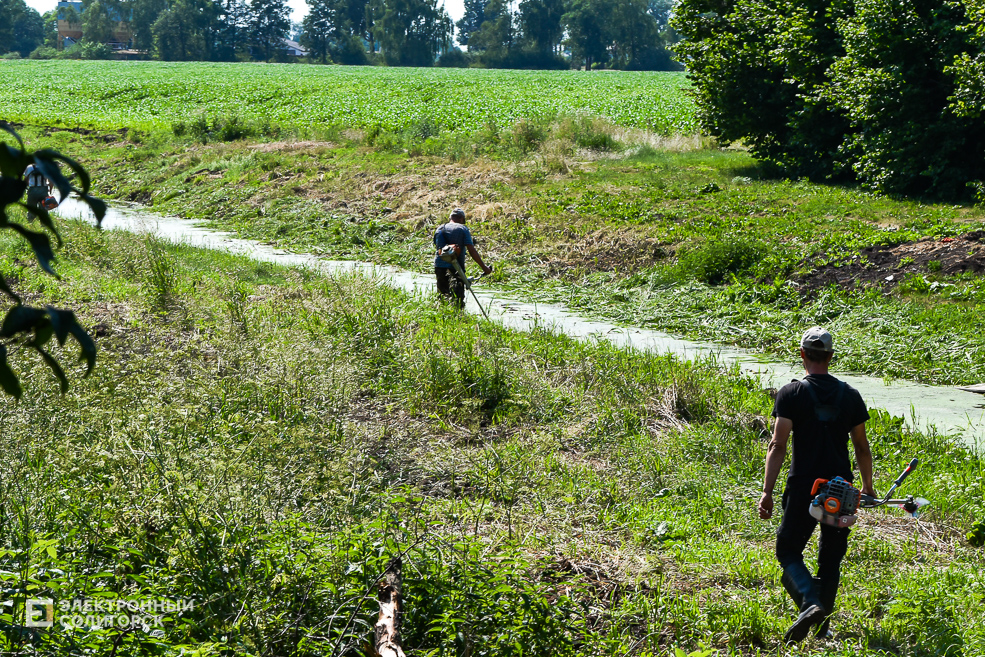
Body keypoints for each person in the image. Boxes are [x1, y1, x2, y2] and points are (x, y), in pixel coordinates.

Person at [758, 327, 875, 643]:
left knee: (788, 550)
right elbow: (862, 447)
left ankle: (809, 601)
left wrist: (767, 491)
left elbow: (778, 445)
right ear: (831, 357)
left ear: (802, 355)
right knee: (830, 558)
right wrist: (868, 486)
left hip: (804, 489)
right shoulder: (850, 396)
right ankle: (821, 627)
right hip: (842, 491)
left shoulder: (791, 394)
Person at [433, 208, 492, 308]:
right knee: (457, 300)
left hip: (439, 267)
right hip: (456, 269)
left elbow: (438, 247)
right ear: (461, 218)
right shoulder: (462, 229)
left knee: (443, 296)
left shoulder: (440, 229)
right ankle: (458, 319)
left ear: (451, 218)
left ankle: (442, 316)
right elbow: (471, 250)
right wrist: (484, 268)